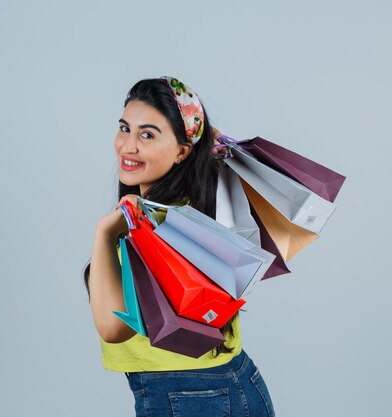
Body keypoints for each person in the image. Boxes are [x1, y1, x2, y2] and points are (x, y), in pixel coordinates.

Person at [83, 76, 276, 417]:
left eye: (147, 135)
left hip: (193, 396)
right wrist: (199, 135)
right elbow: (211, 148)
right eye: (125, 128)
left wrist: (104, 234)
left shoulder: (167, 227)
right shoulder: (199, 204)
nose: (128, 146)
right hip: (215, 388)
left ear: (182, 151)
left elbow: (113, 329)